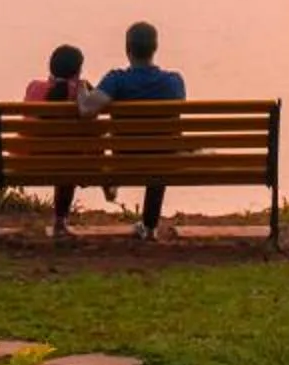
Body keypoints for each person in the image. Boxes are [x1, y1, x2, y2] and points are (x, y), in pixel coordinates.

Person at [76, 21, 189, 239]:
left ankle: (138, 215)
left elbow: (87, 110)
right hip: (165, 158)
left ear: (127, 49)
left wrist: (81, 87)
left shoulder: (117, 80)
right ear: (155, 48)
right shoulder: (174, 82)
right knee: (161, 151)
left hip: (125, 157)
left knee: (150, 149)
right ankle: (149, 227)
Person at [22, 43, 90, 237]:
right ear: (78, 70)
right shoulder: (79, 91)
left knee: (65, 156)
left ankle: (59, 223)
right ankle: (60, 221)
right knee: (69, 158)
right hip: (70, 165)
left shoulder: (34, 88)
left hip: (30, 162)